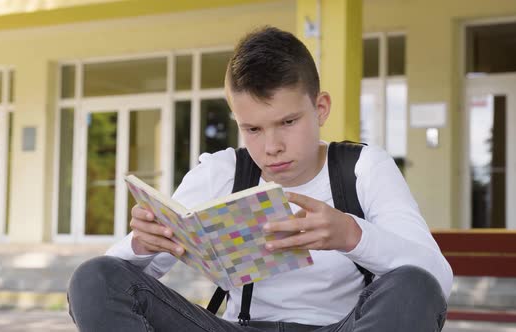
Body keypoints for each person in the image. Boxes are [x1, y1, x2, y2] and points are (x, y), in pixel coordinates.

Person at [68, 26, 452, 332]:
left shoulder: (363, 168)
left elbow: (435, 280)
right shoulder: (221, 171)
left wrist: (353, 235)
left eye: (287, 122)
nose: (271, 147)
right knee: (93, 279)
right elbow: (114, 284)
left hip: (343, 327)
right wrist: (142, 245)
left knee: (412, 288)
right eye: (252, 129)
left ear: (320, 108)